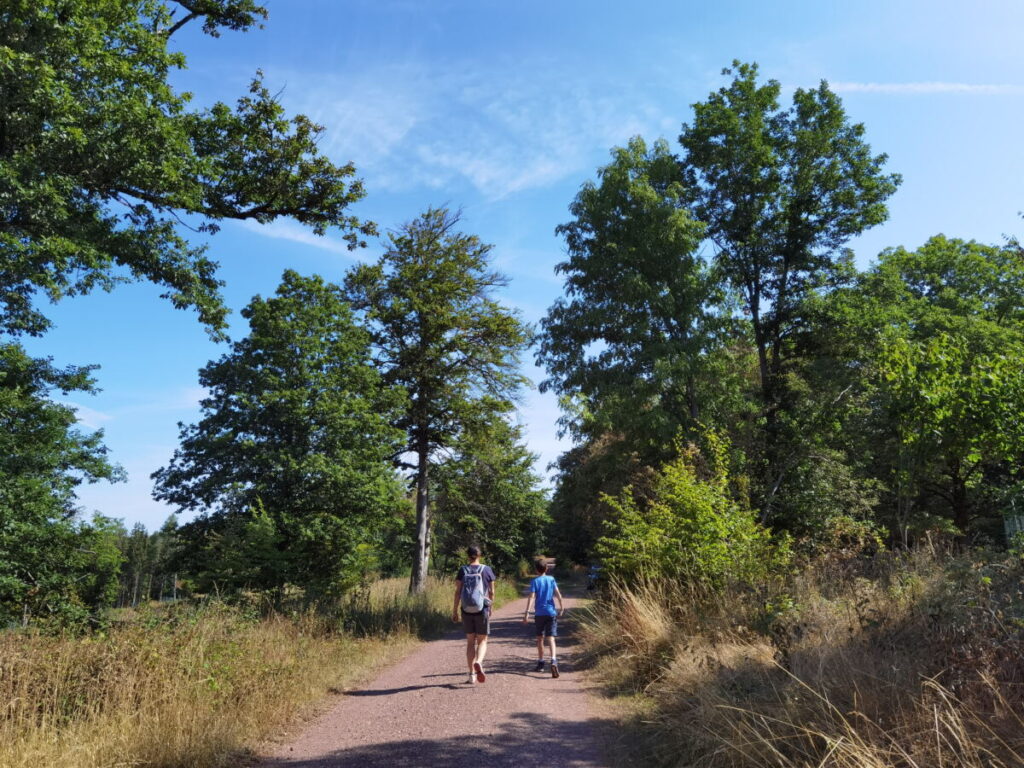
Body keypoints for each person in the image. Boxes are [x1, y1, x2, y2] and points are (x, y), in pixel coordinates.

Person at [452, 545, 496, 684]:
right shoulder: (487, 570)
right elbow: (492, 592)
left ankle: (471, 675)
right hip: (481, 608)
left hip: (466, 609)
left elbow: (458, 592)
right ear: (480, 555)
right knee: (482, 640)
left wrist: (454, 610)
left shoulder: (462, 570)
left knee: (470, 642)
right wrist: (491, 606)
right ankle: (479, 661)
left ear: (468, 556)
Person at [522, 557, 564, 678]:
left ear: (536, 570)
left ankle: (541, 663)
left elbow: (531, 597)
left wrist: (527, 612)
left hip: (539, 614)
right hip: (551, 613)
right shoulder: (551, 579)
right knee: (551, 638)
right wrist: (561, 607)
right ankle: (554, 660)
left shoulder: (535, 581)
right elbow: (558, 594)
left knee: (540, 638)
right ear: (547, 568)